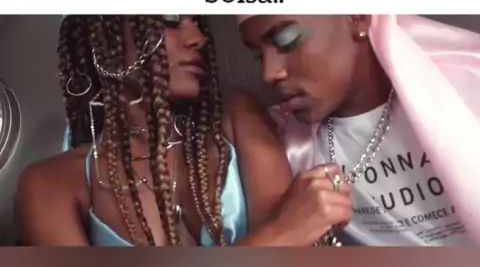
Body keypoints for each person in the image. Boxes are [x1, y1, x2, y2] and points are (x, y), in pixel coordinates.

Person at [16, 14, 325, 247]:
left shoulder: (238, 116)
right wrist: (279, 237)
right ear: (105, 39)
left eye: (197, 22)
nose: (198, 38)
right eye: (171, 19)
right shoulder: (51, 184)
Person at [237, 14, 480, 246]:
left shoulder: (467, 89)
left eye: (287, 41)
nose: (269, 73)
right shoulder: (286, 148)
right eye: (258, 55)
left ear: (357, 17)